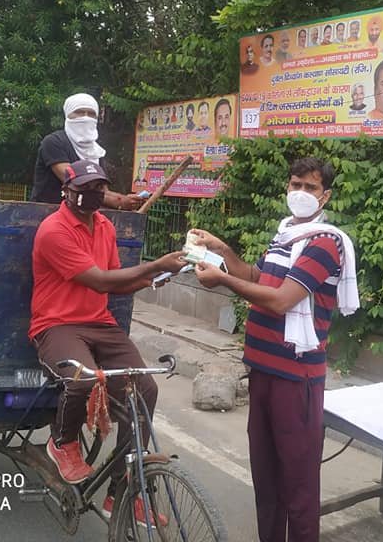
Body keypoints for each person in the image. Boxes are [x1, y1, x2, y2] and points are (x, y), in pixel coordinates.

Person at [191, 157, 358, 542]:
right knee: (265, 480)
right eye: (295, 185)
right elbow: (254, 276)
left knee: (297, 488)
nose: (300, 193)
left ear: (325, 196)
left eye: (310, 188)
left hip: (296, 378)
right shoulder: (285, 235)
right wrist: (220, 250)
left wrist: (222, 280)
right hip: (263, 372)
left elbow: (281, 300)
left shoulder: (325, 243)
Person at [29, 160, 186, 520]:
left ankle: (124, 492)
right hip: (57, 325)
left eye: (99, 186)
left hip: (100, 322)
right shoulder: (53, 230)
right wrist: (154, 264)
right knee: (81, 377)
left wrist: (156, 275)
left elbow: (115, 281)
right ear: (66, 191)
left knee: (145, 389)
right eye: (85, 187)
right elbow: (99, 280)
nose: (94, 193)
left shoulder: (104, 226)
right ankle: (63, 443)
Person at [30, 93, 142, 209]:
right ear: (68, 115)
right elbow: (73, 181)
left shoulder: (96, 152)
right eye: (79, 112)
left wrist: (126, 200)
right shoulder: (54, 142)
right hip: (46, 214)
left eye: (91, 114)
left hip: (82, 216)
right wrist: (120, 201)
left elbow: (103, 191)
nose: (85, 117)